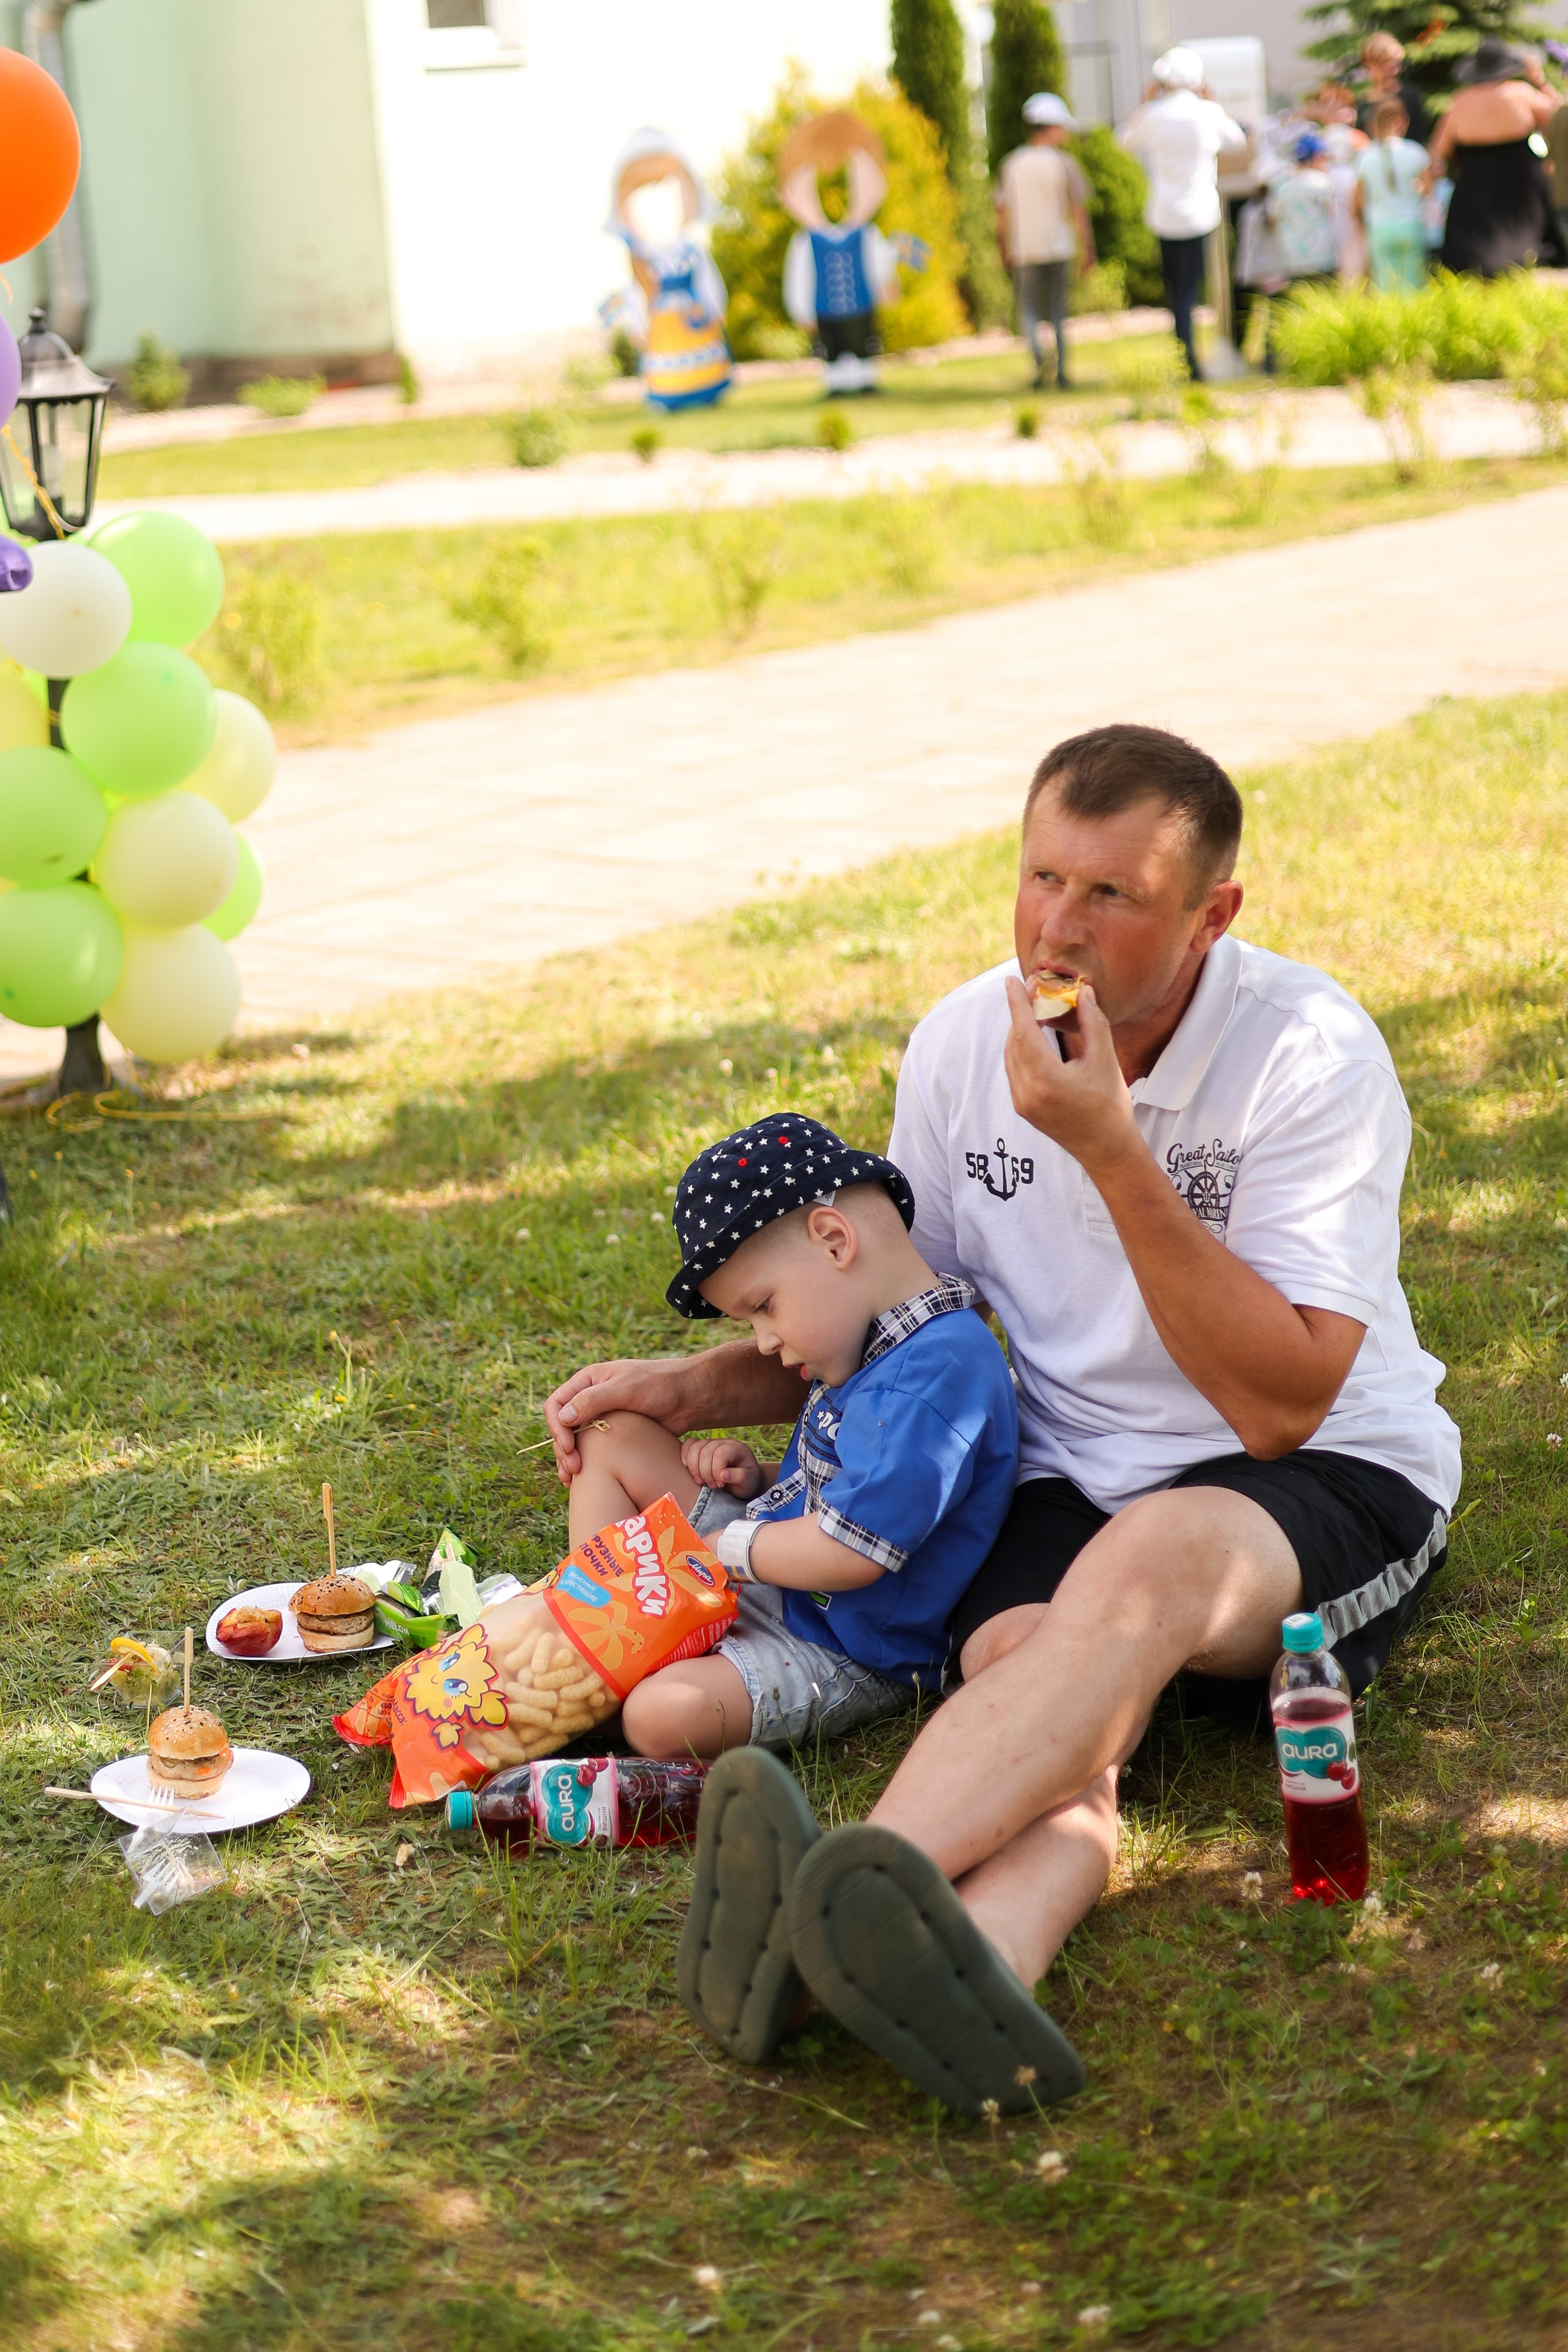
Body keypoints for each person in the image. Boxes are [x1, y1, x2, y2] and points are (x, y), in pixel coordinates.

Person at [547, 721, 1461, 2117]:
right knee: (1030, 1679)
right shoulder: (960, 1045)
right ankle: (984, 1954)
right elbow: (904, 1334)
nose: (1057, 924)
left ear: (1211, 914)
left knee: (1135, 1580)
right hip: (1060, 1463)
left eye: (1112, 895)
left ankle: (818, 1907)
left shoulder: (1305, 1057)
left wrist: (1104, 1139)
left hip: (1311, 1472)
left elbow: (1280, 1400)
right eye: (1040, 876)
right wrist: (686, 1387)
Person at [565, 1114, 1019, 1762]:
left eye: (763, 1306)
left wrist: (730, 1547)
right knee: (610, 1435)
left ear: (834, 1240)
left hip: (842, 1642)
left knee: (662, 1716)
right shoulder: (874, 1339)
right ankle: (603, 1630)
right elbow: (861, 1479)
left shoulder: (932, 1375)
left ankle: (613, 1661)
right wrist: (763, 1476)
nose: (764, 1342)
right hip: (772, 1564)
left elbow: (854, 1548)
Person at [1117, 47, 1247, 382]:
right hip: (1202, 212)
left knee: (1179, 291)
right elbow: (1236, 140)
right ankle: (1198, 357)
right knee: (1198, 289)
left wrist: (1144, 104)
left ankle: (1186, 355)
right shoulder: (1206, 113)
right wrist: (1214, 102)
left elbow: (1123, 141)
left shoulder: (1155, 114)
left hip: (1165, 214)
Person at [1425, 37, 1562, 278]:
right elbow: (1559, 116)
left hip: (1474, 179)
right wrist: (1540, 82)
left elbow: (1440, 148)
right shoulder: (1520, 93)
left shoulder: (1461, 101)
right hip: (1520, 176)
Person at [995, 91, 1096, 391]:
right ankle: (1062, 371)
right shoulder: (1065, 164)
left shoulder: (1011, 164)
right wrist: (1088, 249)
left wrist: (1003, 247)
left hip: (1025, 249)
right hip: (1059, 247)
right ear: (1049, 126)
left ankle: (1041, 367)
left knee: (1029, 309)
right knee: (1057, 310)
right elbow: (1078, 211)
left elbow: (1002, 214)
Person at [1352, 99, 1430, 289]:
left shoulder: (1365, 155)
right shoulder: (1415, 151)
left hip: (1379, 226)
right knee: (1413, 282)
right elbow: (1427, 190)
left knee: (1385, 284)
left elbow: (1358, 201)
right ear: (1402, 121)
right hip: (1410, 223)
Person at [1270, 130, 1340, 285]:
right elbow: (1332, 212)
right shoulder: (1323, 182)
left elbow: (1273, 217)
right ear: (1316, 158)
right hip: (1322, 256)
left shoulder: (1283, 186)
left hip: (1294, 258)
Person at [1355, 31, 1433, 146]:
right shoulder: (1362, 102)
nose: (1393, 70)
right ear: (1369, 66)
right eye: (1385, 64)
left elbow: (1422, 137)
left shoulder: (1410, 95)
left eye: (1396, 64)